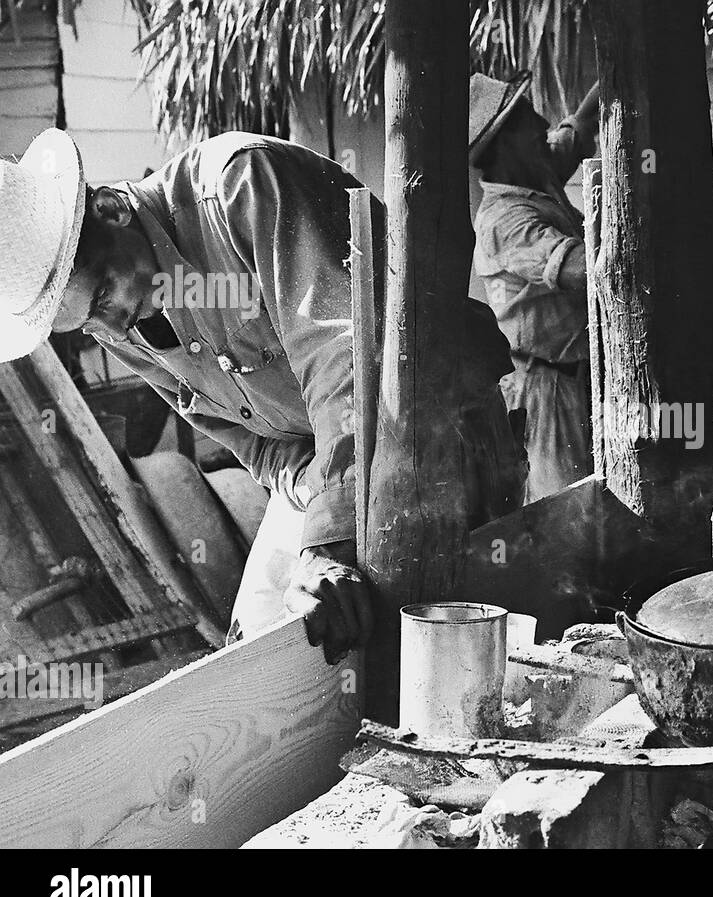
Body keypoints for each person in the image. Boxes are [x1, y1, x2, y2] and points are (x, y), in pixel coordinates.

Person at [0, 129, 522, 664]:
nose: (113, 325)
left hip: (432, 425)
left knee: (438, 642)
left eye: (104, 293)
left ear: (111, 210)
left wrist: (326, 539)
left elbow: (346, 361)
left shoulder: (242, 186)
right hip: (331, 466)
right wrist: (310, 494)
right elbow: (253, 442)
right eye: (88, 322)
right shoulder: (120, 326)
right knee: (263, 648)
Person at [470, 73, 599, 502]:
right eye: (528, 118)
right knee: (565, 511)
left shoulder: (536, 171)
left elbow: (580, 124)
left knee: (603, 506)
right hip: (544, 392)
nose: (544, 123)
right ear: (504, 143)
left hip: (579, 379)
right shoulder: (504, 220)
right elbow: (591, 269)